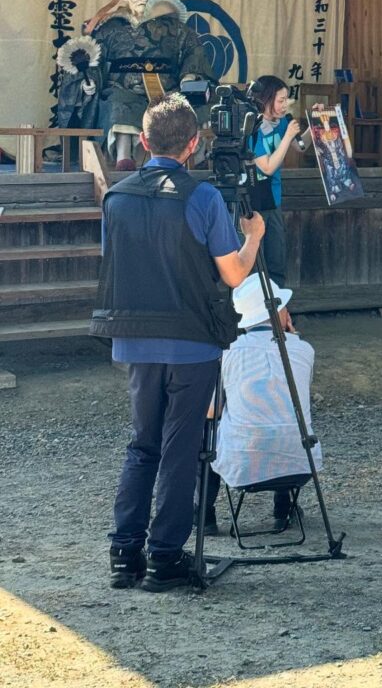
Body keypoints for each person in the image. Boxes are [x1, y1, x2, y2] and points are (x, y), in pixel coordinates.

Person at [92, 93, 264, 592]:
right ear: (193, 145)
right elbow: (232, 274)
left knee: (141, 445)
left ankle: (125, 554)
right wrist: (253, 237)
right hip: (190, 340)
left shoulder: (116, 197)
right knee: (180, 448)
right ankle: (165, 556)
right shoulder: (203, 197)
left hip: (134, 336)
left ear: (143, 142)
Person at [56, 0, 215, 170]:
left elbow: (193, 49)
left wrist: (190, 75)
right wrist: (90, 81)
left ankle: (195, 156)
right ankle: (124, 155)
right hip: (123, 87)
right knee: (118, 106)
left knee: (200, 106)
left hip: (168, 88)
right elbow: (95, 57)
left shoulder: (173, 25)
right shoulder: (110, 27)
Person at [202, 274, 322, 535]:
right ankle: (284, 508)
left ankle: (203, 513)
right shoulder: (304, 350)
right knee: (282, 413)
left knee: (205, 428)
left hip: (242, 465)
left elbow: (213, 411)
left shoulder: (227, 351)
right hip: (300, 465)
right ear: (279, 311)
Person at [249, 76, 305, 286]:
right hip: (254, 200)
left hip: (274, 198)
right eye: (281, 100)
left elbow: (300, 147)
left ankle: (280, 309)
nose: (284, 106)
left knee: (276, 256)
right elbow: (268, 167)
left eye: (286, 100)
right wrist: (287, 135)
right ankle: (258, 312)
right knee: (255, 260)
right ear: (266, 100)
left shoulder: (281, 123)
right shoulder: (253, 128)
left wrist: (315, 125)